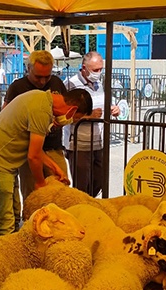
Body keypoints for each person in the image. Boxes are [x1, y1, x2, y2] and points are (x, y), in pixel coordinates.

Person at [0, 89, 92, 237]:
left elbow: (35, 150)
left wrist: (55, 167)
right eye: (75, 118)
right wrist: (40, 184)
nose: (70, 121)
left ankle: (12, 254)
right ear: (72, 110)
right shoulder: (41, 111)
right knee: (5, 222)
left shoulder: (41, 98)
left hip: (5, 163)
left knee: (14, 214)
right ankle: (3, 257)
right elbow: (33, 156)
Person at [3, 50, 68, 202]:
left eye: (47, 76)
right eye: (38, 76)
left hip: (53, 147)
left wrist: (62, 119)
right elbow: (5, 115)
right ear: (28, 69)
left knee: (62, 190)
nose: (43, 81)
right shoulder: (17, 87)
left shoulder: (57, 83)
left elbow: (65, 108)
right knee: (32, 195)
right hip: (27, 151)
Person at [62, 51, 120, 196]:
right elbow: (63, 115)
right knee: (81, 185)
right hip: (79, 145)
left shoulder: (100, 84)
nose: (99, 73)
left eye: (101, 69)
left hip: (99, 143)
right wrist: (88, 116)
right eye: (95, 70)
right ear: (84, 68)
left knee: (99, 181)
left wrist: (114, 109)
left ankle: (89, 206)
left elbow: (104, 104)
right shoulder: (70, 85)